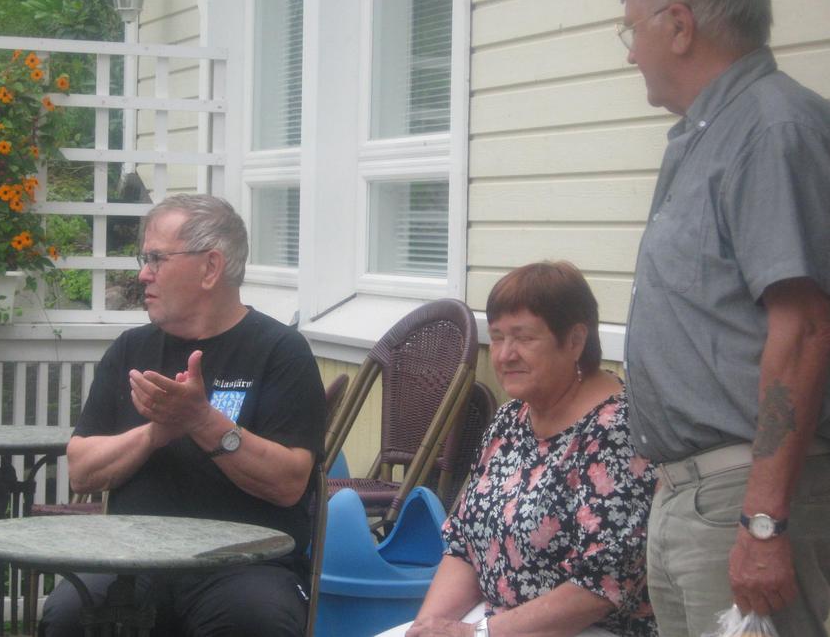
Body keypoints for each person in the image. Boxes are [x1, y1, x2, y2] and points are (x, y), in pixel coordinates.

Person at [621, 0, 830, 637]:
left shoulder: (771, 129)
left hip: (746, 498)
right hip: (694, 498)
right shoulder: (710, 134)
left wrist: (763, 521)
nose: (630, 53)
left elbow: (805, 328)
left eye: (632, 29)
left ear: (679, 26)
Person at [41, 194, 326, 637]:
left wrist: (202, 420)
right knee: (68, 615)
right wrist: (155, 433)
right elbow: (81, 470)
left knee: (257, 621)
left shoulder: (279, 351)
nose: (143, 274)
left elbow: (290, 483)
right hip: (132, 560)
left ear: (210, 267)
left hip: (245, 564)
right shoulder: (131, 350)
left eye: (157, 259)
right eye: (145, 259)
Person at [382, 262, 657, 637]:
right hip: (496, 621)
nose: (504, 355)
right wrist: (426, 628)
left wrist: (477, 634)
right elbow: (465, 545)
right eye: (497, 338)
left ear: (575, 341)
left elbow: (601, 587)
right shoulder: (510, 419)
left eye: (524, 338)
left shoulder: (618, 431)